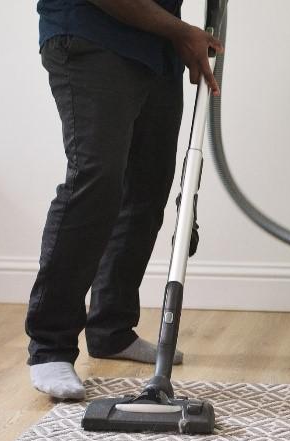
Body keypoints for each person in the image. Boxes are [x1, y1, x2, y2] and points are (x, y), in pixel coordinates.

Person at [27, 0, 223, 400]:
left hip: (155, 47)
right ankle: (50, 346)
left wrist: (177, 34)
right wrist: (182, 32)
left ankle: (111, 329)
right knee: (95, 179)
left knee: (147, 190)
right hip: (92, 35)